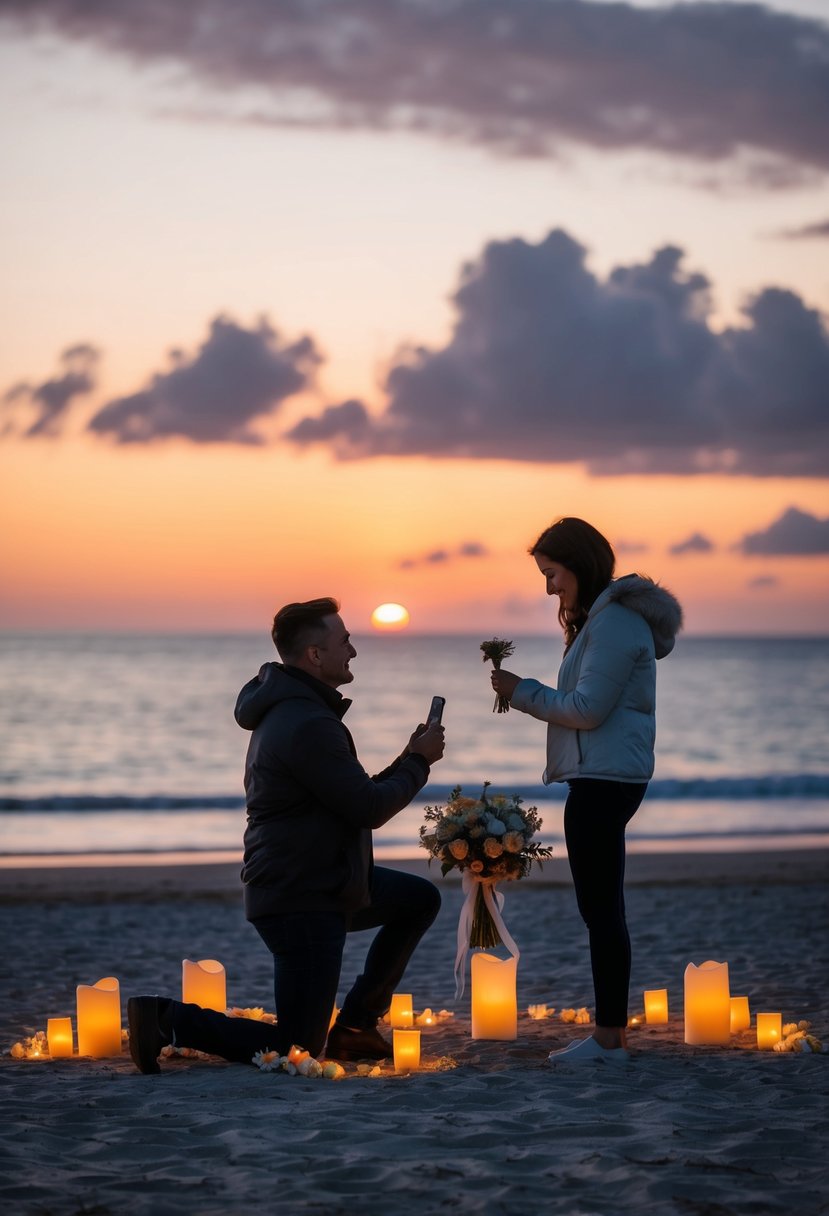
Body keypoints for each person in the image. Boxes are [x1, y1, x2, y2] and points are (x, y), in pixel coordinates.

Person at [128, 597, 445, 1073]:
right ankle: (166, 1019)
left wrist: (406, 758)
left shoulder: (301, 713)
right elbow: (368, 807)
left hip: (326, 879)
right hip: (300, 895)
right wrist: (420, 763)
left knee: (418, 899)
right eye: (345, 641)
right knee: (297, 1047)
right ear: (315, 655)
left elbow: (350, 794)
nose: (354, 651)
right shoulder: (306, 722)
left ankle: (357, 1026)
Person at [490, 518, 682, 1064]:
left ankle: (608, 1038)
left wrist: (520, 690)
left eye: (551, 573)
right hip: (603, 776)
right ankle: (610, 1035)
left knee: (601, 910)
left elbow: (586, 710)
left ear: (579, 563)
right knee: (601, 908)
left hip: (605, 780)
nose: (549, 587)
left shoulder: (615, 624)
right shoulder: (604, 621)